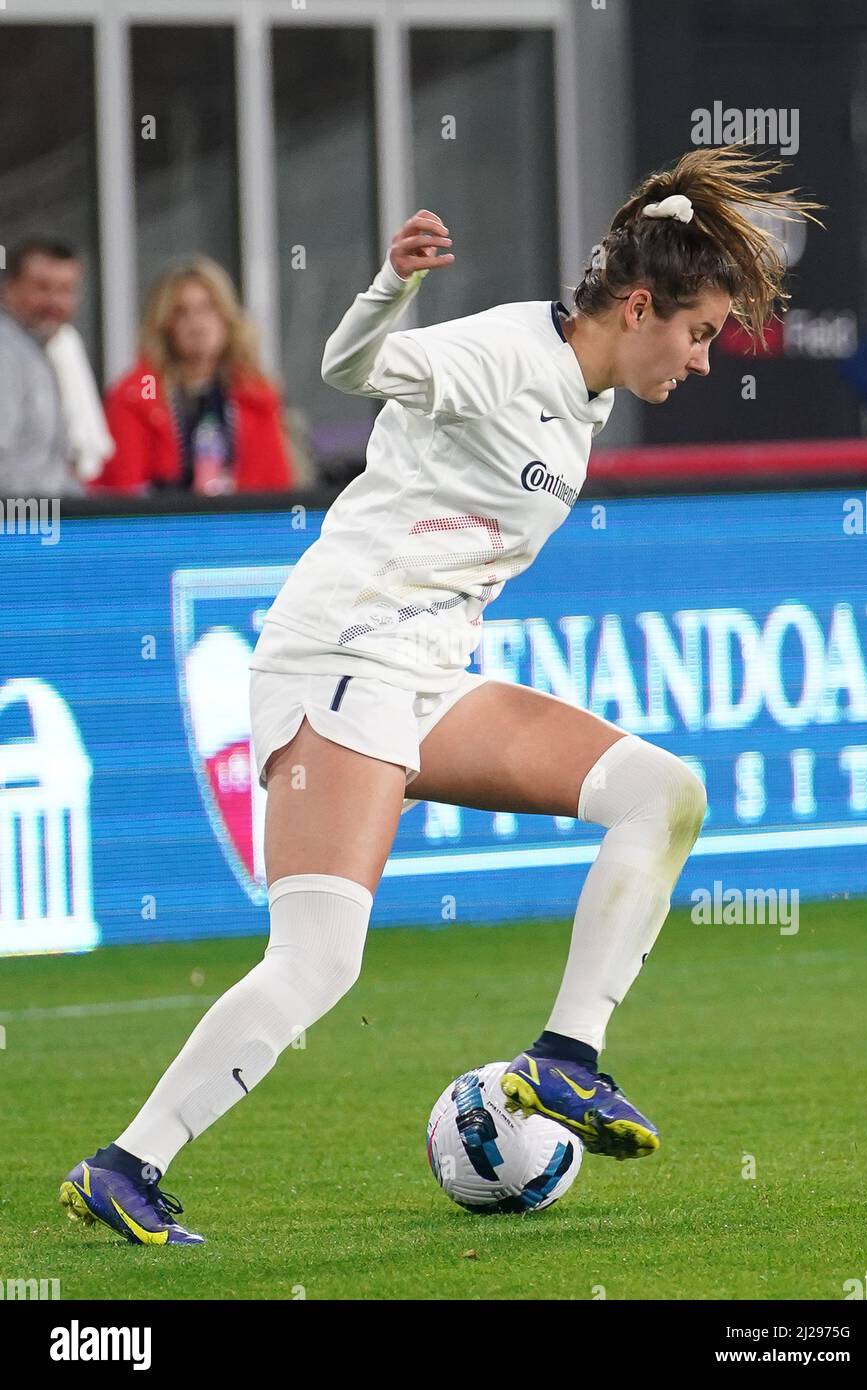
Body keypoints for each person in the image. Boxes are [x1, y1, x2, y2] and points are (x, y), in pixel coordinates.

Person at [59, 145, 824, 1244]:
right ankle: (123, 1167)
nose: (705, 360)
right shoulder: (505, 352)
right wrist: (392, 284)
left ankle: (564, 1061)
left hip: (422, 676)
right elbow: (346, 368)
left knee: (665, 793)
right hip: (343, 660)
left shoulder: (584, 395)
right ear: (641, 305)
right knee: (318, 960)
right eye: (700, 332)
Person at [95, 256, 293, 495]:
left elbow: (277, 492)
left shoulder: (257, 397)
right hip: (164, 528)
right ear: (165, 325)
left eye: (207, 308)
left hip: (242, 528)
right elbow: (120, 496)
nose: (197, 324)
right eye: (182, 312)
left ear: (227, 318)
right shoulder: (133, 399)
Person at [0, 238, 98, 497]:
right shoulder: (5, 353)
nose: (54, 302)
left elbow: (51, 468)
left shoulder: (40, 351)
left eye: (66, 290)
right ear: (9, 288)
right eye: (42, 288)